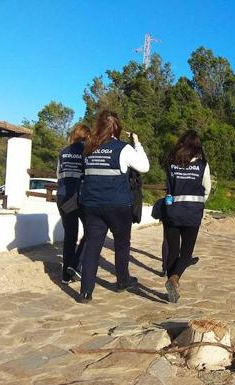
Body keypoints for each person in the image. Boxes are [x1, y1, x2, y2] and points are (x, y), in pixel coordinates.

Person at [77, 110, 150, 303]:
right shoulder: (122, 148)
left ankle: (85, 292)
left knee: (92, 246)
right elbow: (144, 166)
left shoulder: (88, 147)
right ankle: (122, 281)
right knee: (122, 245)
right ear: (117, 127)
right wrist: (137, 143)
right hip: (118, 205)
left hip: (91, 205)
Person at [162, 130, 211, 303]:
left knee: (172, 252)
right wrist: (199, 202)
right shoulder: (202, 165)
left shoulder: (170, 162)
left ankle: (171, 286)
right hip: (192, 213)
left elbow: (169, 186)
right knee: (186, 253)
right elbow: (207, 188)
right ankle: (174, 278)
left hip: (172, 211)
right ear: (197, 146)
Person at [56, 123, 90, 285]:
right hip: (80, 197)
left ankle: (65, 276)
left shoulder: (63, 152)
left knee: (70, 235)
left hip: (62, 196)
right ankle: (76, 265)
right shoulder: (87, 152)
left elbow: (59, 174)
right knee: (91, 231)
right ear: (86, 136)